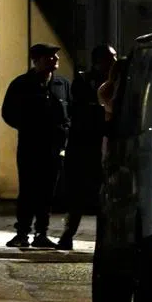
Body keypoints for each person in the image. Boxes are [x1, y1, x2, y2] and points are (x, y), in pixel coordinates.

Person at [1, 43, 72, 249]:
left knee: (47, 192)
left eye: (56, 56)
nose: (55, 60)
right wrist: (28, 127)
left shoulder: (62, 84)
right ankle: (22, 232)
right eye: (50, 57)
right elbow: (8, 113)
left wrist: (64, 132)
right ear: (37, 60)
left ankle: (42, 232)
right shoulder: (22, 84)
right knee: (28, 190)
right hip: (30, 147)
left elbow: (70, 112)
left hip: (54, 147)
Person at [57, 44, 116, 251]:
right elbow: (82, 112)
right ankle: (68, 234)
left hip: (101, 143)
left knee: (104, 197)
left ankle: (102, 239)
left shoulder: (114, 82)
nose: (113, 63)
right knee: (78, 195)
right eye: (110, 59)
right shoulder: (84, 81)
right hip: (85, 145)